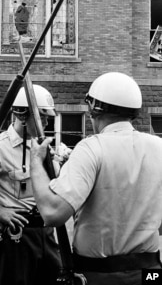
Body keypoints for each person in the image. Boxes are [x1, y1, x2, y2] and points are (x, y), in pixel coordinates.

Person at [30, 72, 162, 285]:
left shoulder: (91, 147)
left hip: (100, 274)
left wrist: (36, 162)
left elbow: (52, 213)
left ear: (93, 109)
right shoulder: (159, 147)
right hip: (151, 274)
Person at [0, 84, 61, 285]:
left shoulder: (40, 146)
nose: (46, 122)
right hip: (17, 235)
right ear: (22, 116)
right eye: (41, 117)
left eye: (47, 118)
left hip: (47, 230)